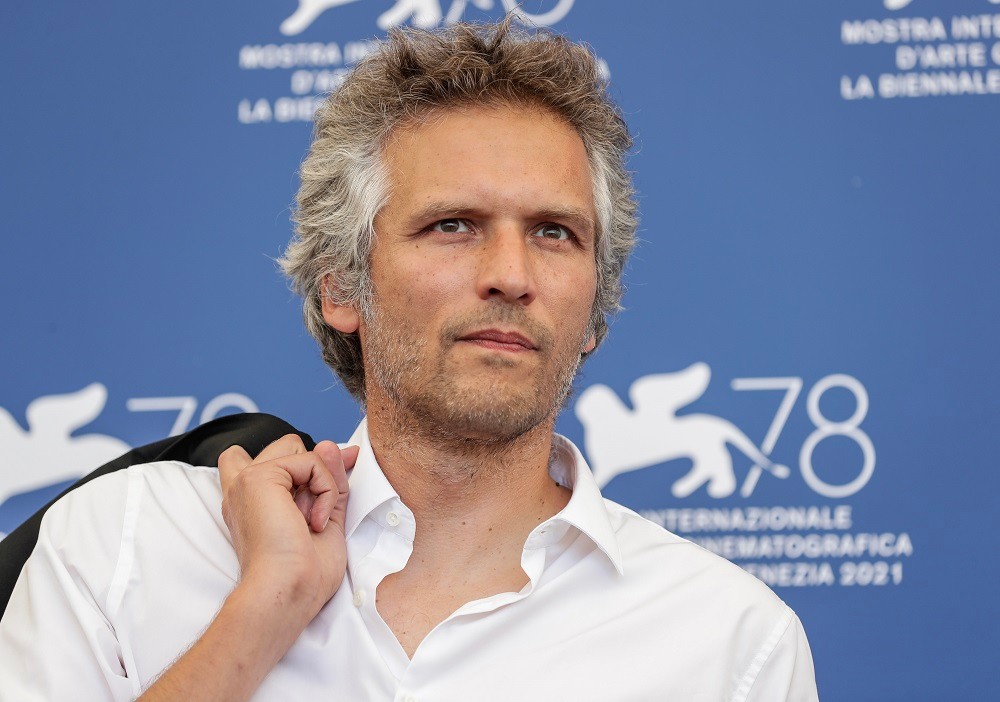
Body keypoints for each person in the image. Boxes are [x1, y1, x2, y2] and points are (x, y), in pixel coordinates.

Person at [0, 19, 818, 701]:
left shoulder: (731, 645)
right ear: (340, 287)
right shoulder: (127, 544)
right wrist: (260, 614)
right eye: (452, 225)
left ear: (594, 311)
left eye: (554, 232)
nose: (511, 275)